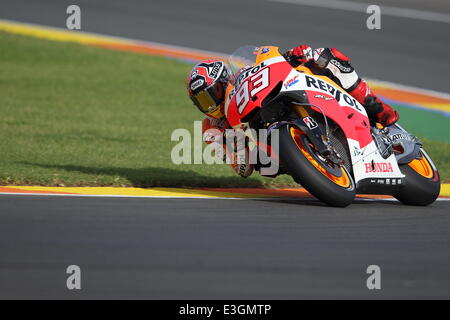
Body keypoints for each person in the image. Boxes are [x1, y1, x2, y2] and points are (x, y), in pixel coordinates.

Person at [186, 45, 399, 178]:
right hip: (273, 152)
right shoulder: (211, 127)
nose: (210, 104)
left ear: (224, 82)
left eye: (210, 95)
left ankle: (378, 109)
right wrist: (234, 147)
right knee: (265, 164)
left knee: (324, 56)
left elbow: (270, 65)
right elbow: (243, 170)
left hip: (288, 93)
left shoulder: (243, 75)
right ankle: (309, 163)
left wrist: (293, 56)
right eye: (202, 101)